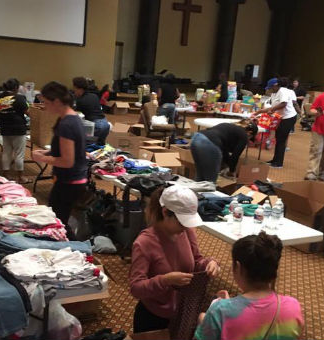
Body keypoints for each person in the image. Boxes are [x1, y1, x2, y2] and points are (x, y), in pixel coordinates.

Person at [130, 185, 220, 333]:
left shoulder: (186, 231)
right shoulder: (145, 242)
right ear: (165, 212)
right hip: (153, 317)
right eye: (181, 222)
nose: (185, 226)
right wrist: (165, 280)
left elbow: (197, 260)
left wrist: (210, 263)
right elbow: (136, 288)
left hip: (183, 312)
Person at [195, 231, 304, 340]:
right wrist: (229, 304)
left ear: (238, 267)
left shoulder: (219, 311)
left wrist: (204, 319)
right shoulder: (293, 306)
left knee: (201, 317)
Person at [31, 82, 87, 239]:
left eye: (46, 103)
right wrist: (48, 152)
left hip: (69, 182)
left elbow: (67, 161)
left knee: (57, 223)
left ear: (56, 102)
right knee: (58, 220)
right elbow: (68, 150)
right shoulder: (71, 118)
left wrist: (43, 158)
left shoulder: (67, 124)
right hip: (73, 180)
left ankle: (78, 251)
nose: (44, 106)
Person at [190, 120, 258, 182]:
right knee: (210, 182)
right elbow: (235, 156)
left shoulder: (229, 128)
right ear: (249, 133)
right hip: (210, 143)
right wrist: (232, 171)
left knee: (200, 176)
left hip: (196, 138)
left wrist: (229, 165)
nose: (248, 140)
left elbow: (224, 151)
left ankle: (193, 194)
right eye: (250, 138)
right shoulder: (244, 136)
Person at [254, 77, 299, 168]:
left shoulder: (283, 91)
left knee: (281, 140)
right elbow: (273, 107)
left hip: (289, 118)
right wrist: (260, 112)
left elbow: (283, 104)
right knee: (278, 139)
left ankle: (278, 163)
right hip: (282, 118)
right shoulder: (274, 94)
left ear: (275, 86)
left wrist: (272, 110)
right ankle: (275, 160)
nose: (269, 90)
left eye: (270, 87)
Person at [0, 78, 30, 184]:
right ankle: (20, 177)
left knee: (6, 152)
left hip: (5, 128)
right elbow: (28, 112)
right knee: (19, 154)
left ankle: (6, 174)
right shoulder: (19, 98)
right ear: (16, 88)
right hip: (18, 128)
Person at [72, 77, 110, 145]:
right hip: (106, 124)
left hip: (96, 126)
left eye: (74, 89)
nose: (74, 91)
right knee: (100, 146)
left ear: (79, 89)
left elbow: (73, 114)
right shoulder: (94, 96)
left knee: (87, 145)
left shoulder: (80, 101)